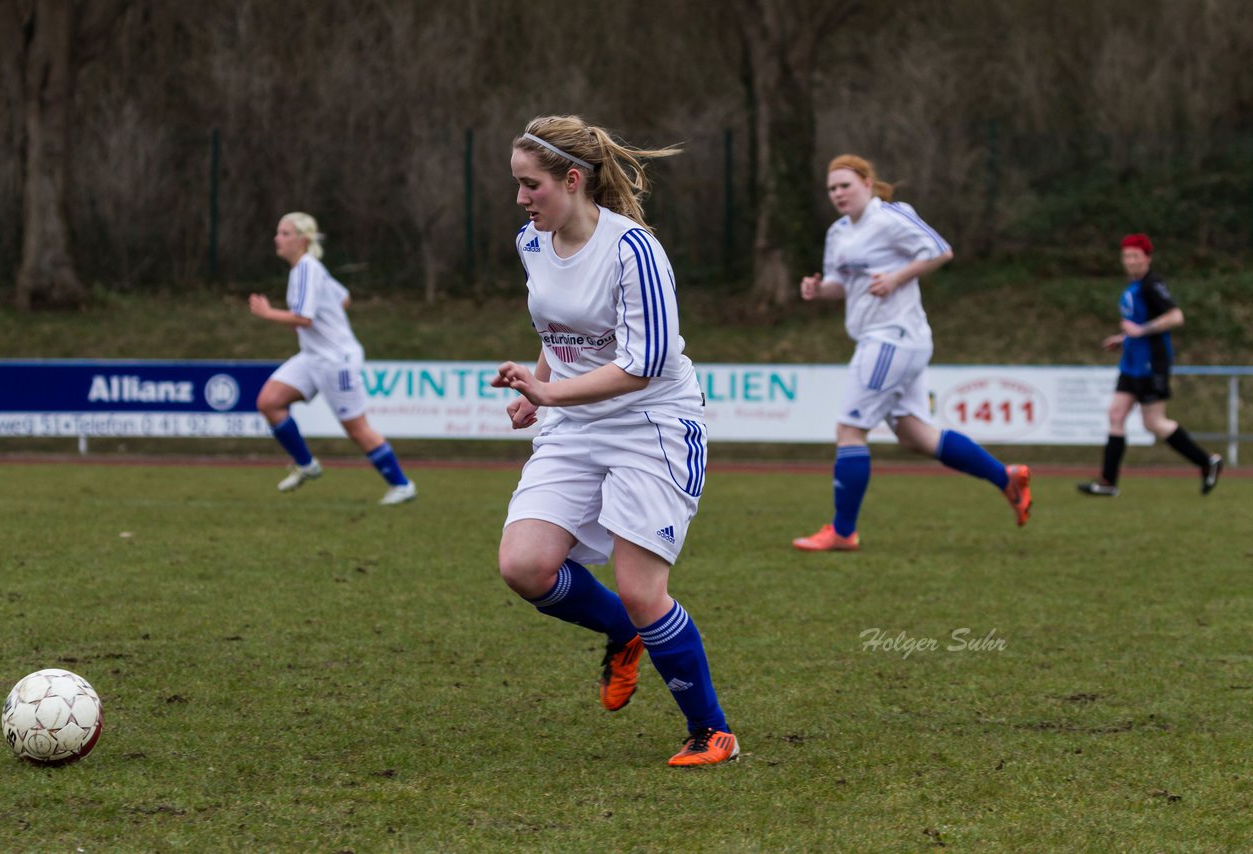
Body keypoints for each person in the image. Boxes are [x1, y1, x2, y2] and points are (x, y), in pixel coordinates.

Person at [491, 116, 737, 767]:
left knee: (640, 588)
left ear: (572, 180)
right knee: (525, 565)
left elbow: (646, 362)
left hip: (650, 426)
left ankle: (712, 731)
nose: (521, 199)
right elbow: (556, 328)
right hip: (575, 425)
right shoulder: (533, 243)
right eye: (517, 185)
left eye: (531, 184)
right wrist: (537, 386)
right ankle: (623, 636)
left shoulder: (633, 250)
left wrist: (549, 396)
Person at [793, 154, 1031, 552]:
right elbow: (841, 284)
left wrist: (897, 277)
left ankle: (843, 531)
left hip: (893, 337)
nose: (837, 194)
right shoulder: (838, 232)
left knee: (850, 429)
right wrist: (819, 290)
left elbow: (940, 250)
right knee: (915, 434)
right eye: (832, 188)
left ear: (867, 183)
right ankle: (1006, 478)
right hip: (882, 338)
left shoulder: (890, 217)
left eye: (845, 185)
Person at [248, 212, 416, 506]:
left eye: (285, 233)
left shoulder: (306, 269)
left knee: (356, 428)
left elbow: (303, 318)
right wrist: (327, 315)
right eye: (279, 232)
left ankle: (402, 485)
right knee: (269, 402)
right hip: (312, 356)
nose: (278, 238)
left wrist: (267, 313)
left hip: (335, 360)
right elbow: (343, 297)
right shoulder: (310, 269)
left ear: (302, 240)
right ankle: (306, 465)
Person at [1077, 234, 1221, 497]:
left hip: (1151, 364)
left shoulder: (1152, 284)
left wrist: (1140, 331)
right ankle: (1108, 482)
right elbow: (1136, 326)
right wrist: (1123, 339)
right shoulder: (1133, 286)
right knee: (1116, 415)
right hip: (1131, 362)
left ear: (1147, 258)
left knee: (1153, 422)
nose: (1130, 261)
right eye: (1126, 256)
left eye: (1136, 256)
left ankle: (1207, 462)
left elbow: (1176, 316)